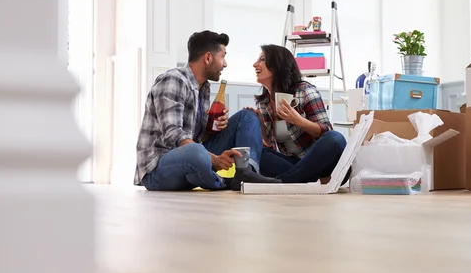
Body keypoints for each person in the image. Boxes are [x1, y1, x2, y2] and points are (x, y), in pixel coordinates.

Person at [134, 30, 280, 191]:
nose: (225, 64)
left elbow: (199, 138)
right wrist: (214, 159)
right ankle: (220, 181)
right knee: (196, 152)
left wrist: (214, 129)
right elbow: (173, 135)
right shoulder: (173, 79)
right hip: (158, 169)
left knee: (247, 116)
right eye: (223, 57)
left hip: (193, 160)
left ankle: (245, 174)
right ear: (208, 58)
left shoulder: (203, 87)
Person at [246, 44, 349, 184]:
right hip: (293, 162)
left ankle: (283, 181)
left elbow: (326, 131)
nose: (254, 64)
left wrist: (298, 120)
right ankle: (299, 179)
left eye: (262, 59)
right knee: (256, 152)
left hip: (320, 161)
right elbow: (270, 145)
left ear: (277, 65)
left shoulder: (305, 91)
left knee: (335, 138)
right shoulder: (264, 102)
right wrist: (261, 127)